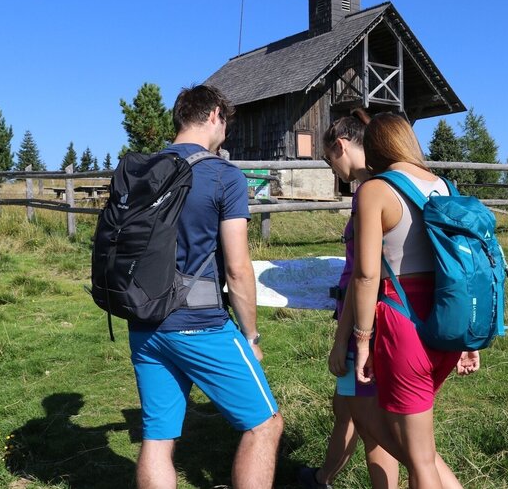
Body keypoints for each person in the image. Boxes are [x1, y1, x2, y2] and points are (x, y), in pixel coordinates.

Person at [127, 84, 283, 489]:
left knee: (158, 439)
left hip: (144, 321)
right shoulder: (223, 176)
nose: (225, 132)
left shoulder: (141, 170)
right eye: (226, 122)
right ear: (214, 114)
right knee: (265, 425)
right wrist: (250, 333)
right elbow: (237, 267)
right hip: (201, 323)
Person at [351, 112, 480, 489]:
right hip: (448, 321)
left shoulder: (375, 190)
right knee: (418, 445)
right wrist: (469, 341)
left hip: (403, 320)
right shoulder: (447, 188)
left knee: (420, 459)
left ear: (374, 148)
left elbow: (366, 274)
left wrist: (362, 341)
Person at [298, 112, 400, 489]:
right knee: (347, 408)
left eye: (329, 160)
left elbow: (363, 276)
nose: (333, 168)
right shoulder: (388, 186)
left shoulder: (368, 194)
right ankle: (323, 477)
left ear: (341, 145)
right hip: (385, 321)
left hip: (366, 324)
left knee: (376, 430)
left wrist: (347, 339)